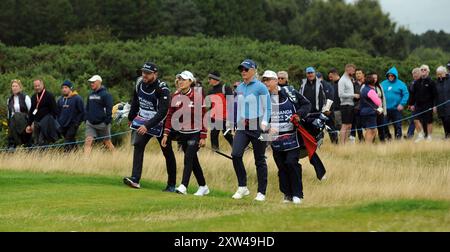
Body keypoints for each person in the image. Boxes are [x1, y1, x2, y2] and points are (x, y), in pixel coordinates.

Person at [123, 62, 177, 192]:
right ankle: (135, 179)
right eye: (143, 72)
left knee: (167, 153)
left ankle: (171, 184)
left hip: (160, 124)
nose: (145, 75)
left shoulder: (162, 88)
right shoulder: (139, 84)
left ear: (155, 74)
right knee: (138, 145)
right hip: (144, 122)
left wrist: (147, 126)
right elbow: (136, 102)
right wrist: (131, 118)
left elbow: (163, 111)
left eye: (148, 73)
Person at [262, 70, 311, 204]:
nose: (266, 83)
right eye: (264, 80)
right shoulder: (263, 98)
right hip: (276, 140)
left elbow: (307, 104)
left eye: (268, 80)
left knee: (291, 163)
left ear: (276, 81)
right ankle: (287, 195)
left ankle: (297, 195)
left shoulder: (290, 93)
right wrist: (266, 128)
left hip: (292, 138)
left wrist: (298, 115)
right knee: (282, 167)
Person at [161, 70, 209, 196]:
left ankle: (183, 186)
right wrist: (166, 134)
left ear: (190, 82)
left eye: (184, 79)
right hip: (183, 133)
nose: (181, 81)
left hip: (195, 133)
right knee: (193, 160)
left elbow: (203, 116)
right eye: (179, 79)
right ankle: (203, 186)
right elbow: (170, 115)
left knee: (188, 158)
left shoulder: (198, 96)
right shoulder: (175, 95)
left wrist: (203, 136)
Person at [231, 59, 271, 202]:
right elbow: (239, 108)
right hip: (243, 126)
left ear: (253, 71)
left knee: (259, 159)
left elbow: (268, 107)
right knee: (235, 154)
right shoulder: (240, 87)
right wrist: (235, 124)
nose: (243, 72)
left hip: (259, 126)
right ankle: (242, 187)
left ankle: (261, 192)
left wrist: (265, 122)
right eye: (241, 69)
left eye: (246, 69)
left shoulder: (261, 87)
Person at [299, 67, 337, 143]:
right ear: (306, 74)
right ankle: (316, 147)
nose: (310, 75)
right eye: (308, 73)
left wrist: (328, 109)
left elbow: (329, 97)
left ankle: (335, 145)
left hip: (321, 111)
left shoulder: (322, 84)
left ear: (314, 73)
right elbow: (300, 97)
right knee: (313, 131)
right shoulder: (303, 85)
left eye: (311, 73)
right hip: (309, 113)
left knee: (330, 128)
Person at [84, 75, 115, 154]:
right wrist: (86, 119)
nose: (91, 84)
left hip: (103, 123)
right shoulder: (90, 94)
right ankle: (85, 161)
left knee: (107, 142)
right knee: (88, 141)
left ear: (99, 82)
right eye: (91, 82)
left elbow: (109, 109)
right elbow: (87, 108)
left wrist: (106, 122)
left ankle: (117, 157)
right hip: (90, 123)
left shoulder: (106, 95)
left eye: (93, 82)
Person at [25, 79, 59, 146]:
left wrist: (50, 121)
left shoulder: (49, 95)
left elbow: (54, 110)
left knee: (42, 141)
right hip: (36, 123)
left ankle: (45, 155)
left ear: (42, 85)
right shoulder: (34, 97)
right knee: (36, 141)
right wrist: (29, 124)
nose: (37, 87)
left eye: (38, 85)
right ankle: (38, 156)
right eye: (35, 86)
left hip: (46, 123)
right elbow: (32, 111)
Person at [206, 71, 234, 150]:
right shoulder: (210, 91)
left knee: (227, 135)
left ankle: (237, 150)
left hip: (226, 118)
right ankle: (215, 153)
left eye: (210, 78)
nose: (208, 80)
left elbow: (231, 103)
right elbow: (210, 106)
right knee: (213, 136)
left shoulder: (225, 88)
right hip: (215, 119)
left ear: (215, 79)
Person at [410, 65, 437, 142]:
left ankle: (429, 136)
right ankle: (420, 135)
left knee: (429, 121)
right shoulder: (417, 82)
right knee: (415, 120)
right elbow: (413, 94)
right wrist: (411, 104)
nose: (423, 71)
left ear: (428, 71)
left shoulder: (431, 82)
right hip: (418, 105)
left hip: (428, 104)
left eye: (425, 70)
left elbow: (435, 95)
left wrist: (435, 105)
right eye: (421, 70)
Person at [381, 67, 409, 140]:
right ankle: (388, 136)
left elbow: (406, 94)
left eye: (392, 75)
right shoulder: (383, 83)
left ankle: (398, 139)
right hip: (385, 109)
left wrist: (402, 104)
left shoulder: (401, 84)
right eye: (389, 75)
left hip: (396, 109)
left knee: (397, 125)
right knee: (384, 124)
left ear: (395, 76)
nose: (390, 77)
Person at [56, 80, 84, 152]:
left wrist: (76, 123)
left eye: (66, 87)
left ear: (70, 88)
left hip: (72, 125)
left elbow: (82, 112)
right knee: (71, 141)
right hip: (63, 125)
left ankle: (65, 157)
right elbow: (57, 112)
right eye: (62, 88)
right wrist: (58, 123)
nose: (64, 89)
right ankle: (77, 155)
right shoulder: (60, 99)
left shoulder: (77, 98)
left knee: (68, 141)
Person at [6, 79, 31, 149]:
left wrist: (30, 124)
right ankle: (13, 145)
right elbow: (9, 114)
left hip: (24, 120)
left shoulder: (25, 97)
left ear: (20, 87)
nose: (14, 88)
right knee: (13, 119)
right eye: (13, 86)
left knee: (17, 115)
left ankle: (19, 142)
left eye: (16, 86)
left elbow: (30, 111)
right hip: (14, 122)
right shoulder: (9, 99)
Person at [359, 74, 382, 143]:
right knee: (371, 130)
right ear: (373, 83)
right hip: (370, 112)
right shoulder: (370, 90)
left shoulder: (364, 89)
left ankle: (368, 145)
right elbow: (378, 102)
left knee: (372, 129)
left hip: (364, 111)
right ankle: (367, 146)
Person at [338, 64, 357, 144]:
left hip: (351, 105)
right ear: (348, 69)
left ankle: (345, 143)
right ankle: (342, 144)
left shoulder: (349, 79)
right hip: (345, 105)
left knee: (349, 125)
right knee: (345, 125)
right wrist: (353, 95)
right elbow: (341, 94)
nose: (353, 72)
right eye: (353, 71)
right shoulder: (342, 80)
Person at [405, 68, 422, 139]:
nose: (414, 75)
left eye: (416, 73)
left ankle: (422, 135)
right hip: (414, 105)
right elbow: (411, 95)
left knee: (419, 120)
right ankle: (410, 134)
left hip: (421, 104)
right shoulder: (412, 83)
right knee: (413, 119)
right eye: (413, 74)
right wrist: (410, 104)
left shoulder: (423, 82)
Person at [434, 66, 450, 139]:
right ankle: (447, 135)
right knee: (443, 120)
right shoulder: (436, 82)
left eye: (441, 74)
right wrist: (435, 106)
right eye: (438, 74)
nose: (439, 76)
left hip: (448, 105)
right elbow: (435, 95)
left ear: (445, 73)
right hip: (440, 105)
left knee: (448, 119)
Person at [350, 69, 365, 143]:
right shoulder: (352, 84)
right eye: (356, 74)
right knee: (357, 125)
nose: (358, 75)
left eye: (360, 73)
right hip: (356, 108)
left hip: (366, 107)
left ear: (363, 74)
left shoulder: (366, 84)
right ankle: (361, 140)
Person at [373, 73, 388, 142]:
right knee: (372, 128)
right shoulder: (367, 86)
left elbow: (383, 99)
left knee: (381, 127)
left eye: (376, 78)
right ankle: (371, 142)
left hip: (380, 110)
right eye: (373, 78)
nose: (374, 79)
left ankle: (382, 142)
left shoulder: (379, 86)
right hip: (372, 110)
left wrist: (384, 110)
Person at [328, 68, 342, 138]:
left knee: (340, 127)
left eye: (331, 77)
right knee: (335, 127)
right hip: (333, 110)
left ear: (335, 74)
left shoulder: (342, 83)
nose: (330, 79)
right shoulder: (331, 84)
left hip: (340, 109)